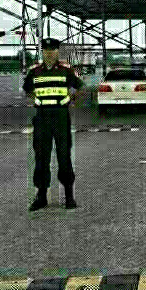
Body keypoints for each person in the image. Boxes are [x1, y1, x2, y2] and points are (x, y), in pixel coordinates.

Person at [23, 38, 84, 211]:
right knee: (41, 157)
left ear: (57, 52)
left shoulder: (66, 70)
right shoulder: (34, 71)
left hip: (61, 117)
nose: (49, 53)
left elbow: (80, 87)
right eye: (46, 50)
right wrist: (35, 99)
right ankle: (41, 196)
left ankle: (69, 196)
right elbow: (27, 89)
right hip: (42, 117)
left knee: (64, 156)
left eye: (53, 50)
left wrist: (70, 99)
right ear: (42, 52)